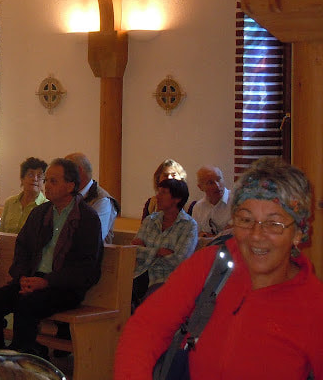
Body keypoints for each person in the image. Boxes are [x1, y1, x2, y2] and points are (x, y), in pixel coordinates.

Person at [115, 157, 323, 379]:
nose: (256, 235)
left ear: (298, 234)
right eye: (246, 220)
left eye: (274, 224)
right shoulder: (210, 266)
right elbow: (146, 328)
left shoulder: (313, 305)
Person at [0, 158, 102, 356]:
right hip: (31, 280)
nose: (47, 186)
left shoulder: (87, 218)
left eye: (53, 181)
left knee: (26, 304)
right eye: (47, 180)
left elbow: (85, 267)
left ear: (70, 186)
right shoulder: (40, 213)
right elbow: (22, 248)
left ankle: (20, 360)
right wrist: (22, 277)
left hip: (63, 287)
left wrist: (47, 281)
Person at [131, 176, 197, 307]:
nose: (157, 196)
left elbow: (180, 260)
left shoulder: (189, 225)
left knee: (150, 300)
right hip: (140, 273)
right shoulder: (150, 220)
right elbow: (134, 250)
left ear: (177, 199)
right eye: (158, 192)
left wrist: (146, 249)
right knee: (117, 290)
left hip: (168, 279)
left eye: (163, 193)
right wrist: (159, 252)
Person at [66, 152, 120, 242]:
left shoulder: (102, 200)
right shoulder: (68, 194)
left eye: (65, 172)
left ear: (78, 171)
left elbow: (94, 237)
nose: (63, 176)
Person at [0, 157, 48, 233]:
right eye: (30, 175)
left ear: (43, 181)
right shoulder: (10, 202)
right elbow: (1, 232)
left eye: (39, 176)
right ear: (22, 179)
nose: (35, 179)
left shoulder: (47, 206)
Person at [190, 165, 232, 237]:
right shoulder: (198, 207)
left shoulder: (236, 201)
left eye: (219, 179)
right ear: (200, 187)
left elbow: (234, 234)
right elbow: (196, 236)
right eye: (210, 183)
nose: (217, 186)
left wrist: (210, 237)